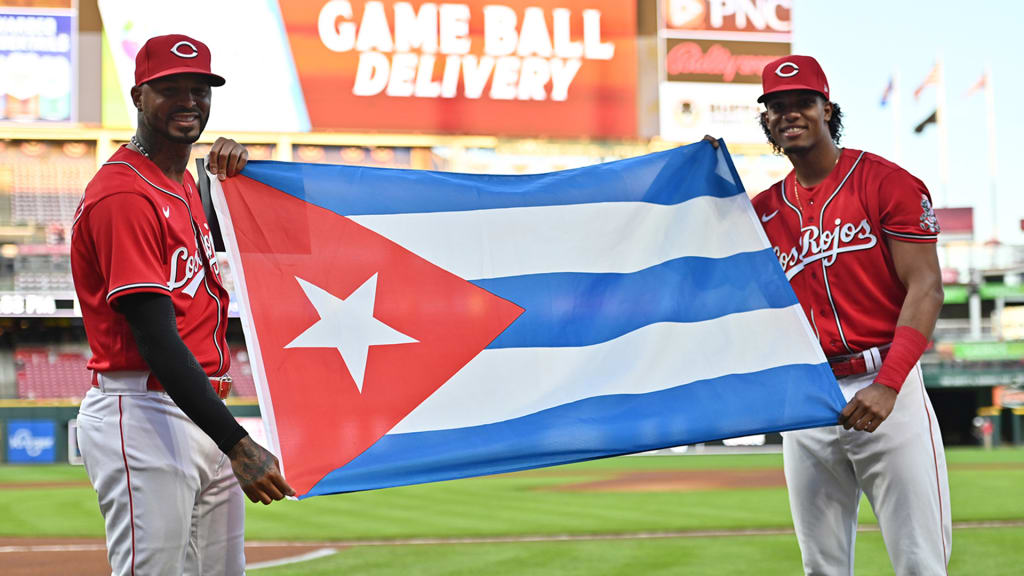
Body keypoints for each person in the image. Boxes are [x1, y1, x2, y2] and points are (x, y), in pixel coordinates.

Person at [706, 54, 951, 574]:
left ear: (827, 109)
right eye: (777, 106)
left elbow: (926, 288)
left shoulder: (887, 183)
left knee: (919, 563)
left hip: (888, 383)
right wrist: (699, 179)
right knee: (821, 566)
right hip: (809, 396)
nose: (790, 114)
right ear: (766, 120)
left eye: (803, 103)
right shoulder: (763, 212)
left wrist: (888, 383)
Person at [71, 34, 294, 575]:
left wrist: (229, 180)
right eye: (170, 89)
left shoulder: (185, 183)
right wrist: (238, 442)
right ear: (138, 96)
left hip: (198, 409)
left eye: (200, 89)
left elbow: (229, 242)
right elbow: (155, 337)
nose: (189, 101)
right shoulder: (125, 194)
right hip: (144, 409)